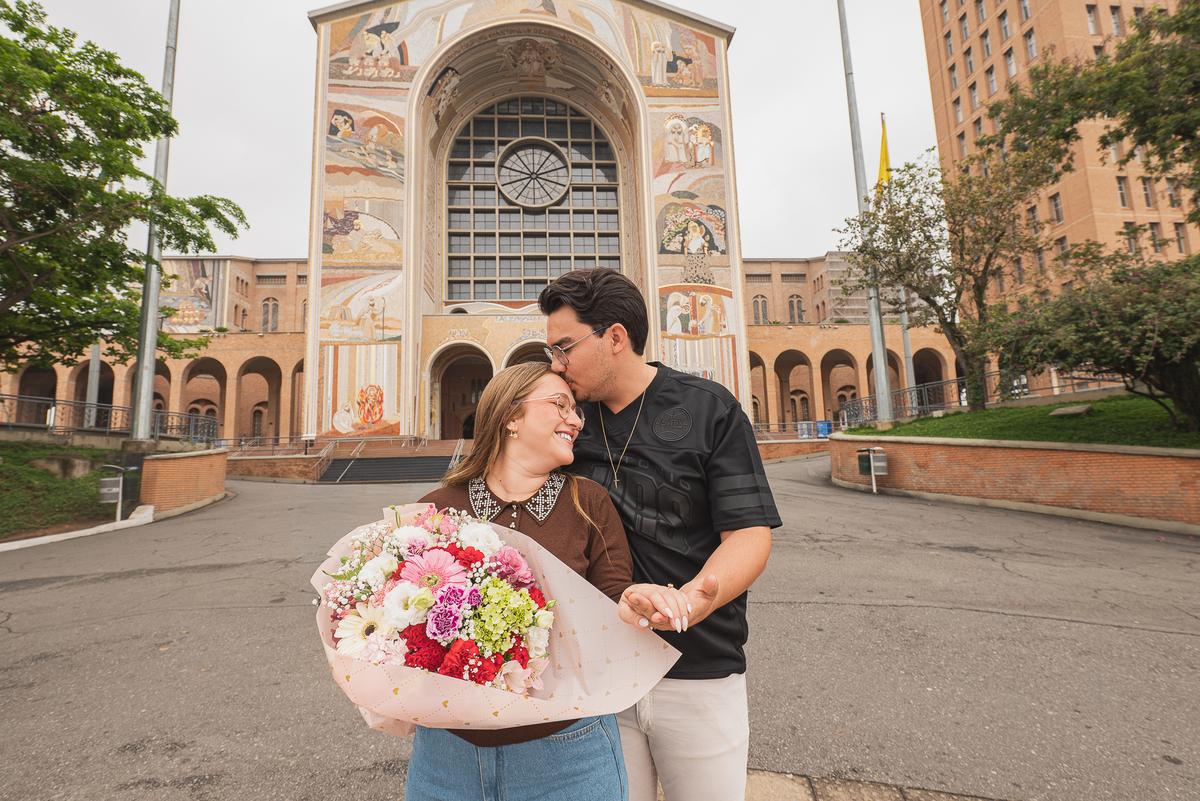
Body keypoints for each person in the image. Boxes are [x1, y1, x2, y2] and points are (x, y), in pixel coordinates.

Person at [539, 268, 782, 801]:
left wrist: (694, 601)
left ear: (615, 338)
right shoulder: (566, 424)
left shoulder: (708, 408)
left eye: (564, 348)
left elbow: (748, 534)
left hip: (699, 668)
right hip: (600, 674)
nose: (556, 364)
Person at [407, 362, 680, 801]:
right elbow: (403, 618)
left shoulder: (588, 501)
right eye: (560, 405)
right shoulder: (436, 508)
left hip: (569, 749)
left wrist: (636, 605)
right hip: (447, 752)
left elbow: (612, 597)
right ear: (511, 416)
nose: (575, 419)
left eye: (577, 411)